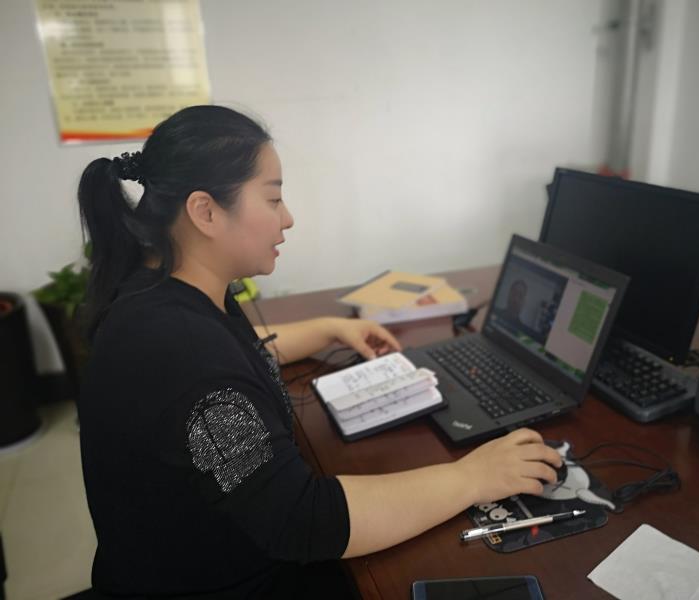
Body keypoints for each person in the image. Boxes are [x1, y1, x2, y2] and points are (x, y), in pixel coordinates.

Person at [77, 105, 563, 598]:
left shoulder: (162, 292)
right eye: (273, 198)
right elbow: (302, 520)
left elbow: (231, 356)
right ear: (205, 212)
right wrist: (473, 478)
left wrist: (329, 329)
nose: (287, 218)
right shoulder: (182, 351)